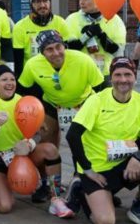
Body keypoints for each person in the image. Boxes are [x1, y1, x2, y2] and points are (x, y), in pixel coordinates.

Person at [66, 57, 140, 224]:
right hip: (98, 171)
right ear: (111, 78)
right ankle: (82, 189)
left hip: (125, 165)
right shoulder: (96, 101)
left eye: (128, 74)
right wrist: (87, 170)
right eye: (118, 75)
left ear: (135, 77)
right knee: (105, 222)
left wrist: (138, 156)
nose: (123, 79)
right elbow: (72, 136)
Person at [17, 30, 105, 201]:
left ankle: (82, 181)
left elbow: (102, 87)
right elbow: (23, 92)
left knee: (84, 144)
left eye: (58, 47)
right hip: (52, 104)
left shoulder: (82, 59)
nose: (56, 53)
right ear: (42, 52)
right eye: (49, 49)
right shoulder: (33, 64)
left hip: (82, 103)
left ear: (64, 46)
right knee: (45, 143)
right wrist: (33, 117)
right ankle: (47, 184)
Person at [0, 65, 74, 218]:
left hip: (22, 154)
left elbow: (39, 133)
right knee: (4, 206)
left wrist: (30, 144)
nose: (9, 83)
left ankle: (55, 198)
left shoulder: (24, 101)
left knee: (50, 150)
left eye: (12, 79)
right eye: (4, 80)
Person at [65, 0, 126, 78]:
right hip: (81, 73)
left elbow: (118, 52)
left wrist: (101, 35)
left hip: (106, 73)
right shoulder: (72, 19)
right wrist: (87, 35)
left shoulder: (114, 19)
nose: (81, 2)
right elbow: (68, 49)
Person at [12, 0, 69, 78]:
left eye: (45, 1)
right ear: (31, 4)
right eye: (37, 2)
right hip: (32, 76)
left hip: (57, 75)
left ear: (50, 2)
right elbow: (18, 61)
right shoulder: (20, 27)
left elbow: (68, 53)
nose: (42, 5)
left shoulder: (60, 23)